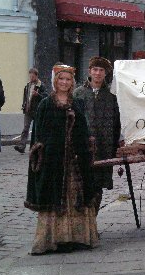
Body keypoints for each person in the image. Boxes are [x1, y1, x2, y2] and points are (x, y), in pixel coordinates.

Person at [25, 64, 99, 255]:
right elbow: (38, 136)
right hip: (53, 161)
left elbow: (84, 131)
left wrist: (85, 151)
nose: (64, 83)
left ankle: (77, 237)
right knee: (54, 196)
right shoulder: (45, 105)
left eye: (68, 80)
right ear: (55, 81)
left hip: (75, 162)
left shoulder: (77, 103)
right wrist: (41, 156)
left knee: (76, 197)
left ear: (72, 82)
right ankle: (53, 239)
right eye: (61, 79)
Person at [73, 56, 121, 215]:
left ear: (106, 73)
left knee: (98, 186)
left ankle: (92, 220)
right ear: (89, 71)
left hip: (104, 147)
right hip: (83, 148)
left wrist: (117, 144)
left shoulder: (112, 95)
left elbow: (117, 122)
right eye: (95, 69)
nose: (98, 73)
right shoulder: (79, 93)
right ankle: (81, 222)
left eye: (101, 70)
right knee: (81, 184)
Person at [14, 68, 48, 153]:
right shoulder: (28, 85)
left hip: (37, 111)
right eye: (30, 76)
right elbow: (25, 97)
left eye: (32, 77)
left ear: (36, 76)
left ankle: (36, 146)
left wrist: (38, 95)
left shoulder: (41, 85)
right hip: (28, 110)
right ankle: (22, 146)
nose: (31, 78)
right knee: (25, 128)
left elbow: (46, 97)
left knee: (37, 129)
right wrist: (24, 105)